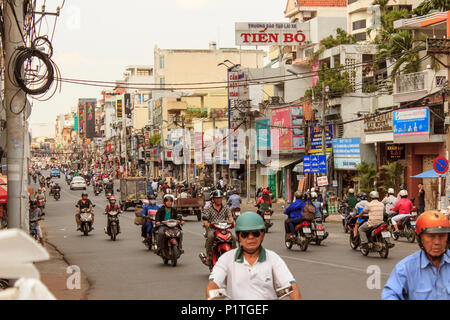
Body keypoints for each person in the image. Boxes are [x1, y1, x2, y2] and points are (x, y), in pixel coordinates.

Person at [206, 211, 301, 300]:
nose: (251, 237)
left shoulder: (273, 259)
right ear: (238, 236)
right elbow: (212, 287)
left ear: (262, 235)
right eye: (245, 234)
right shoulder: (226, 259)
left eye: (255, 233)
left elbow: (292, 288)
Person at [382, 210, 450, 300]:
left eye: (441, 236)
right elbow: (390, 295)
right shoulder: (405, 268)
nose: (437, 242)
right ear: (420, 238)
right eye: (431, 236)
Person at [201, 190, 235, 265]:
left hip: (224, 229)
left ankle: (234, 256)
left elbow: (230, 218)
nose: (219, 200)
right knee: (210, 237)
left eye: (220, 198)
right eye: (217, 198)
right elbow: (205, 220)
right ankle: (208, 256)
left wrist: (233, 223)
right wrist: (207, 224)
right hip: (213, 229)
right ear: (213, 199)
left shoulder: (226, 207)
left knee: (233, 237)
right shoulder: (208, 208)